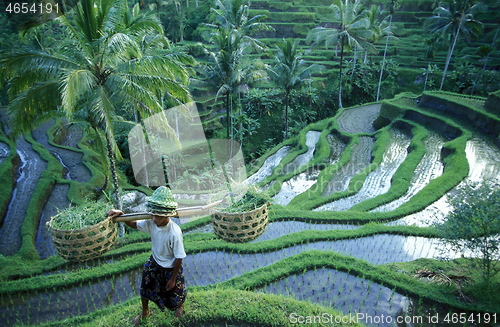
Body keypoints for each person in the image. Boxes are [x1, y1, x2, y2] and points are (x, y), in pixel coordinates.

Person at [108, 186, 187, 325]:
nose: (154, 217)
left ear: (167, 214)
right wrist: (122, 215)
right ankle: (145, 311)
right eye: (153, 214)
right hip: (155, 261)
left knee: (175, 292)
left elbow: (179, 257)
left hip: (171, 266)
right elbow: (134, 224)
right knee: (145, 286)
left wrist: (173, 278)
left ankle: (180, 306)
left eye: (158, 215)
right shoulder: (151, 221)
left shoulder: (174, 232)